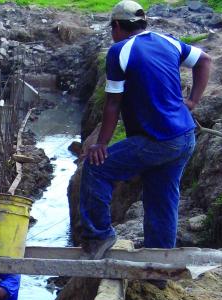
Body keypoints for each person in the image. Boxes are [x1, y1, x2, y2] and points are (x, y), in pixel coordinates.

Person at [79, 0, 212, 260]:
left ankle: (99, 236)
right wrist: (193, 100)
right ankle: (158, 264)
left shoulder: (120, 51)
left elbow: (113, 103)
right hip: (184, 138)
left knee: (96, 168)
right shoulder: (168, 41)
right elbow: (204, 60)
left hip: (158, 140)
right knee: (161, 199)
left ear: (116, 25)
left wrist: (101, 144)